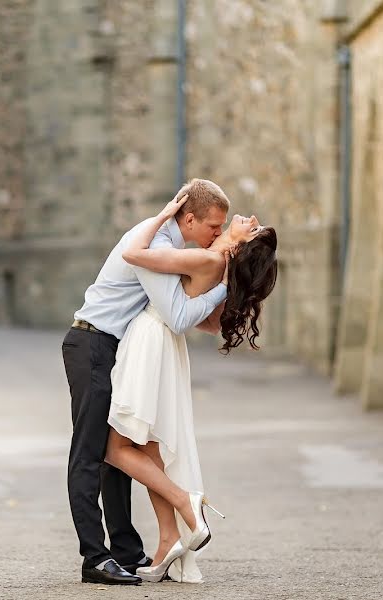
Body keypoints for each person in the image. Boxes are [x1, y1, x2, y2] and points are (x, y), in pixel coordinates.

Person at [62, 179, 231, 585]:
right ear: (188, 218)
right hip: (92, 344)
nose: (216, 235)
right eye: (213, 226)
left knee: (117, 452)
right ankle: (94, 558)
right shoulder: (154, 245)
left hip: (112, 348)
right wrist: (225, 284)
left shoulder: (167, 246)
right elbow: (176, 316)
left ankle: (125, 552)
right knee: (92, 453)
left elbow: (195, 316)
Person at [105, 195, 278, 583]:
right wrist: (225, 265)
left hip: (151, 340)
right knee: (150, 448)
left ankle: (187, 503)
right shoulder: (217, 264)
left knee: (115, 448)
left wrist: (164, 215)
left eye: (250, 226)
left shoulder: (207, 260)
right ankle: (168, 540)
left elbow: (135, 255)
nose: (246, 218)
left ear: (239, 245)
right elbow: (204, 321)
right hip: (165, 347)